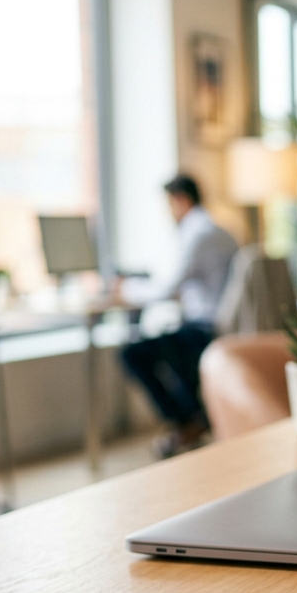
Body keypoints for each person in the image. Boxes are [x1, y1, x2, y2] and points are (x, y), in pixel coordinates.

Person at [121, 174, 238, 457]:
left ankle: (188, 421)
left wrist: (126, 289)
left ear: (181, 200)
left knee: (131, 354)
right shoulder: (224, 232)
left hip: (203, 330)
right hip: (219, 327)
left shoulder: (197, 233)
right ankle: (193, 420)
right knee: (167, 343)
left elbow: (169, 286)